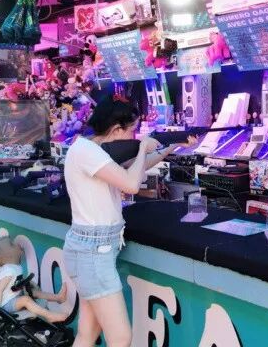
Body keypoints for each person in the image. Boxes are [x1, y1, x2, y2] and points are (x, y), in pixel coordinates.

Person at [62, 96, 196, 347]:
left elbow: (135, 168)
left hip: (91, 249)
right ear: (116, 129)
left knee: (87, 334)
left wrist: (170, 146)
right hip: (92, 251)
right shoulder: (87, 152)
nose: (133, 136)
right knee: (121, 338)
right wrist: (144, 147)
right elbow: (131, 184)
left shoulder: (88, 149)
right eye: (132, 130)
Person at [0, 236, 68, 322]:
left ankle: (59, 298)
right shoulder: (8, 271)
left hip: (15, 296)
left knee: (34, 292)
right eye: (12, 244)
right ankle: (49, 316)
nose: (16, 243)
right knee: (26, 300)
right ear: (8, 255)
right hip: (6, 304)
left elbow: (14, 282)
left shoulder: (14, 267)